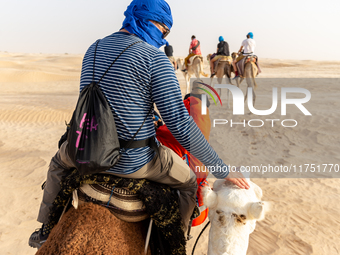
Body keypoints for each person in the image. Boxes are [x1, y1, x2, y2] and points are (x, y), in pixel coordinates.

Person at [29, 0, 249, 249]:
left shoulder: (94, 48)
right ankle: (176, 244)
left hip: (82, 152)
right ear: (151, 22)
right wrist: (222, 169)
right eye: (163, 30)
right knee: (188, 181)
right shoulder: (156, 60)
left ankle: (45, 230)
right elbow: (180, 124)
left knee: (57, 164)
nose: (163, 38)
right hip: (134, 162)